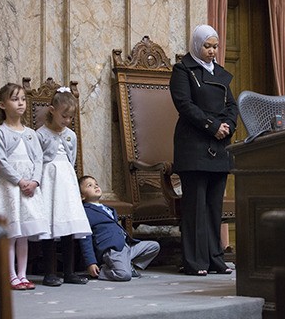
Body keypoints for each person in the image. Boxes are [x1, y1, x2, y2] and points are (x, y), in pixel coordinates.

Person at [169, 24, 238, 276]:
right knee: (195, 207)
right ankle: (195, 262)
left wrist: (228, 125)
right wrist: (211, 126)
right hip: (194, 145)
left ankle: (215, 259)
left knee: (213, 207)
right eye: (207, 46)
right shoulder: (183, 70)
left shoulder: (220, 73)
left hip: (219, 145)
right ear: (197, 45)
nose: (211, 51)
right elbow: (184, 105)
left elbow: (232, 105)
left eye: (215, 47)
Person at [0, 83, 49, 290]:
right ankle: (11, 275)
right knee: (11, 233)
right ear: (3, 105)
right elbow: (1, 162)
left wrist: (35, 181)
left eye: (22, 99)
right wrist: (19, 181)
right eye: (15, 99)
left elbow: (38, 159)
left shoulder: (31, 133)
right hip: (10, 189)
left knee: (23, 235)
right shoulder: (1, 133)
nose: (20, 103)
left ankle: (22, 275)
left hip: (28, 189)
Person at [37, 87, 92, 286]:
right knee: (51, 226)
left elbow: (72, 159)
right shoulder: (40, 134)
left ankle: (69, 272)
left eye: (70, 117)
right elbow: (37, 160)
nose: (67, 121)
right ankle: (50, 272)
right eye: (64, 116)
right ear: (52, 110)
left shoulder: (71, 135)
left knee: (69, 225)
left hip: (66, 181)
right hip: (49, 181)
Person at [78, 175, 160, 281]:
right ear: (82, 196)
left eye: (96, 184)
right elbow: (85, 239)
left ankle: (127, 265)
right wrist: (90, 263)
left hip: (126, 246)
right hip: (112, 250)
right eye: (90, 185)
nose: (95, 186)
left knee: (154, 246)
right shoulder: (85, 212)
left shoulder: (109, 209)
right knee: (124, 275)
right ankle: (102, 270)